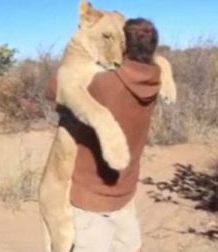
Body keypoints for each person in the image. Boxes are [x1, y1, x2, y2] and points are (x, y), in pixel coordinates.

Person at [46, 18, 161, 252]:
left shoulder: (101, 84)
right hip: (125, 189)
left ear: (123, 46)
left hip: (91, 195)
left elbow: (53, 90)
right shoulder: (156, 79)